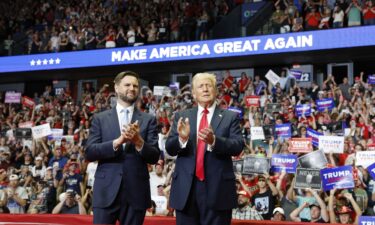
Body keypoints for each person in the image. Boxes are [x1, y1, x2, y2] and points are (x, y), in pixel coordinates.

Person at [166, 72, 244, 225]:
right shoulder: (182, 116)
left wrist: (214, 141)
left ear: (215, 91)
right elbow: (170, 148)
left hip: (218, 189)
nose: (205, 89)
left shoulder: (230, 117)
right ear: (194, 94)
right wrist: (182, 138)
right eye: (200, 86)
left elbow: (238, 146)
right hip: (186, 190)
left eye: (209, 85)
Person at [85, 71, 160, 225]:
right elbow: (90, 152)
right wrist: (118, 142)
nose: (132, 88)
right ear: (117, 88)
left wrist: (138, 141)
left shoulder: (148, 120)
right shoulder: (100, 118)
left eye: (135, 86)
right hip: (106, 191)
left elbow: (154, 156)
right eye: (127, 85)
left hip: (136, 193)